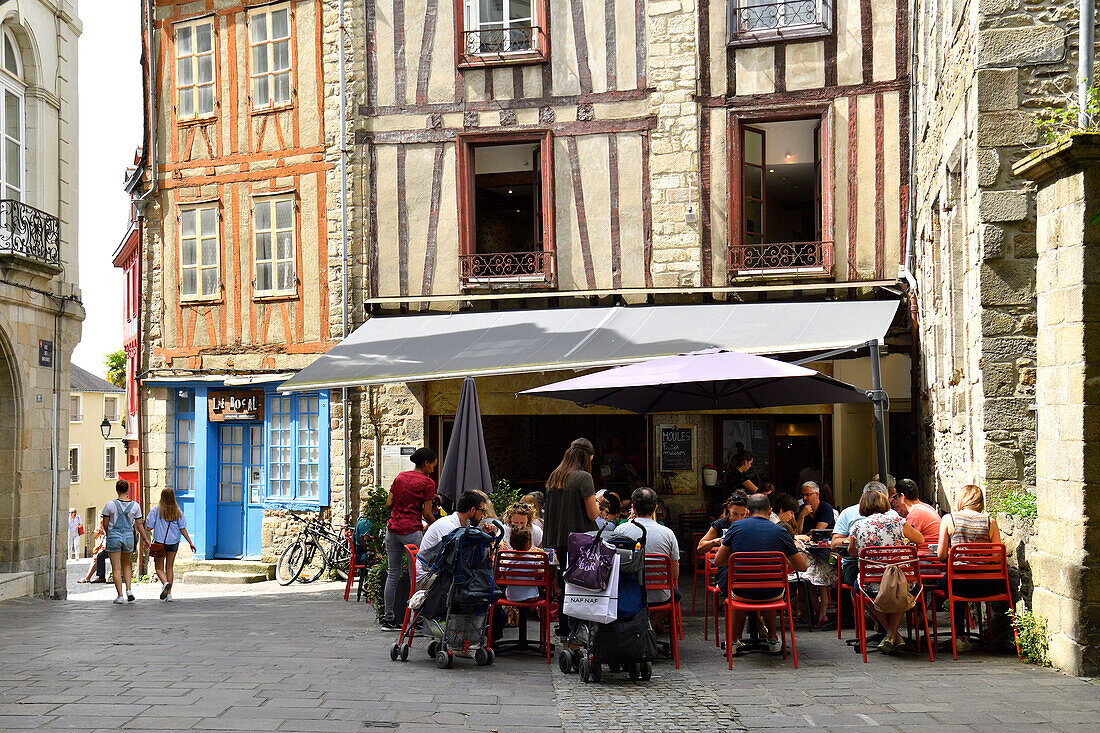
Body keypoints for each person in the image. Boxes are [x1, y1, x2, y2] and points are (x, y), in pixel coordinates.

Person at [714, 493, 808, 654]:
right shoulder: (780, 531)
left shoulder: (735, 528)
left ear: (748, 512)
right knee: (769, 585)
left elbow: (718, 561)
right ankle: (772, 637)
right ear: (770, 511)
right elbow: (802, 566)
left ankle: (733, 641)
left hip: (742, 592)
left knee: (739, 588)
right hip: (773, 593)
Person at [847, 490, 924, 654]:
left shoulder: (857, 526)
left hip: (871, 585)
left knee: (858, 588)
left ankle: (889, 634)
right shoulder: (897, 521)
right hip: (902, 582)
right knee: (900, 590)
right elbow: (920, 540)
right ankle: (893, 634)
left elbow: (852, 553)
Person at [543, 438, 600, 637]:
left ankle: (566, 632)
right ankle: (581, 632)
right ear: (587, 457)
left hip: (559, 541)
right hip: (581, 541)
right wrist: (598, 502)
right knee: (583, 588)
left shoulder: (555, 477)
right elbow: (593, 514)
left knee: (565, 588)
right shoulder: (583, 477)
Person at [936, 484, 1002, 652]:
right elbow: (996, 556)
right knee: (957, 579)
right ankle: (964, 637)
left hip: (959, 585)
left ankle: (958, 637)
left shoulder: (949, 519)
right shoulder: (990, 522)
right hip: (987, 586)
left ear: (961, 500)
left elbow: (941, 555)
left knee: (950, 581)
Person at [381, 447, 438, 632]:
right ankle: (416, 621)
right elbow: (427, 513)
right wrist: (440, 525)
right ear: (426, 463)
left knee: (392, 574)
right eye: (433, 466)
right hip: (411, 530)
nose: (433, 470)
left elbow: (389, 503)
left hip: (392, 529)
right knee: (417, 576)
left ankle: (389, 619)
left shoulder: (400, 477)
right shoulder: (427, 483)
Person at [612, 487, 681, 606]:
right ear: (655, 508)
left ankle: (643, 623)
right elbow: (674, 575)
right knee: (676, 596)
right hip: (660, 596)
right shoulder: (668, 533)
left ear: (633, 507)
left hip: (629, 595)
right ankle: (652, 624)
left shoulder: (620, 531)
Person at [831, 481, 900, 590]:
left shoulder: (893, 515)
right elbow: (834, 545)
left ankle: (870, 606)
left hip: (888, 564)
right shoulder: (849, 513)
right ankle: (871, 606)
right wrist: (853, 538)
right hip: (855, 564)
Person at [101, 479, 152, 605]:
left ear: (117, 490)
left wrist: (109, 533)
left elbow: (105, 523)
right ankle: (129, 590)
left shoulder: (110, 505)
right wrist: (145, 539)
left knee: (116, 567)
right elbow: (139, 524)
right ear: (127, 490)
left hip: (114, 535)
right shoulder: (135, 506)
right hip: (129, 535)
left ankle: (120, 595)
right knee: (126, 565)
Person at [417, 490, 491, 573]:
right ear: (472, 510)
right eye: (482, 511)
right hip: (428, 576)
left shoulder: (464, 526)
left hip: (440, 572)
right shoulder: (447, 525)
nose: (483, 516)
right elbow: (455, 557)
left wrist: (485, 536)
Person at [145, 488, 197, 602]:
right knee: (169, 567)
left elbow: (148, 527)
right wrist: (190, 543)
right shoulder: (178, 512)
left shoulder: (156, 511)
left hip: (160, 542)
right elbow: (182, 529)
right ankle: (169, 594)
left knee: (158, 568)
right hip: (173, 542)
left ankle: (165, 583)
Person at [696, 491, 749, 556]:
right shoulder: (720, 524)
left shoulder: (750, 524)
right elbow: (700, 548)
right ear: (729, 507)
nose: (738, 518)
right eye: (734, 514)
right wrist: (715, 541)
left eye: (742, 515)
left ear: (747, 511)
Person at [892, 478, 941, 545]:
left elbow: (908, 541)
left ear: (902, 496)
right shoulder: (926, 507)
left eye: (895, 497)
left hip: (925, 551)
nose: (895, 500)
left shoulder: (914, 514)